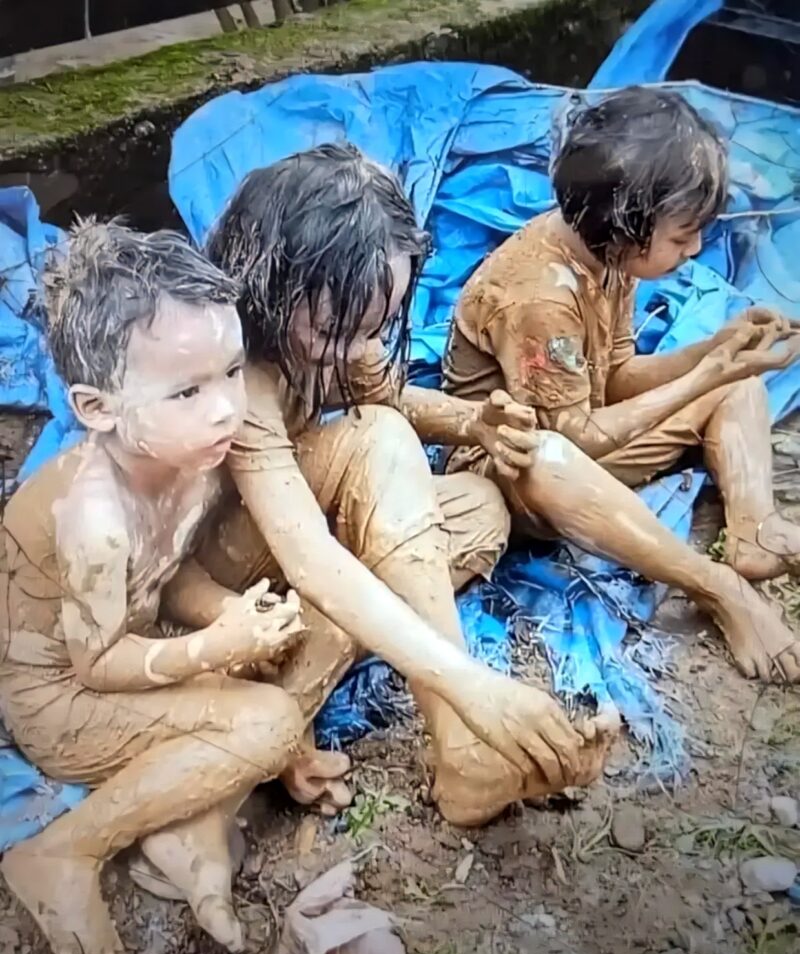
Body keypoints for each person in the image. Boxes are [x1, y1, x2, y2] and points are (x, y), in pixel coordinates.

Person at [162, 143, 616, 837]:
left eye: (375, 327)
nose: (356, 348)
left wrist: (475, 422)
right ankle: (457, 743)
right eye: (335, 330)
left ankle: (308, 684)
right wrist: (473, 686)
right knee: (377, 443)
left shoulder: (339, 323)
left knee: (479, 510)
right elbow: (313, 554)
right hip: (209, 577)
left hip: (292, 530)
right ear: (272, 284)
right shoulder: (236, 378)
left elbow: (388, 395)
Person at [0, 221, 312, 954]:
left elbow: (168, 574)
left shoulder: (181, 455)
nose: (226, 408)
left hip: (131, 637)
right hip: (63, 698)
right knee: (270, 721)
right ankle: (63, 851)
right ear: (97, 407)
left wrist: (225, 615)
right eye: (187, 391)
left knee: (289, 647)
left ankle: (185, 828)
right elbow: (97, 663)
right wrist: (216, 649)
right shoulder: (95, 518)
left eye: (231, 372)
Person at [443, 86, 800, 684]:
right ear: (627, 225)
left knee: (739, 384)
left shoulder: (608, 253)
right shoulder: (540, 298)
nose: (694, 251)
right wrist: (705, 374)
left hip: (587, 433)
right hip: (513, 469)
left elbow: (616, 376)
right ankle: (714, 585)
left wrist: (717, 351)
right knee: (547, 457)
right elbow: (573, 438)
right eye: (681, 237)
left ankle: (754, 530)